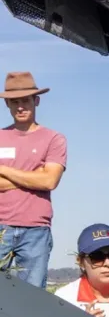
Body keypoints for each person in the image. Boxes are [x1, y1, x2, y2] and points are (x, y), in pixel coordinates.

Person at [0, 72, 67, 288]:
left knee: (32, 297)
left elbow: (49, 181)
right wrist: (34, 175)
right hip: (1, 226)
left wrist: (3, 170)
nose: (20, 106)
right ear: (7, 104)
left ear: (36, 100)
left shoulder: (54, 139)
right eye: (14, 102)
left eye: (25, 100)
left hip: (36, 229)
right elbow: (42, 179)